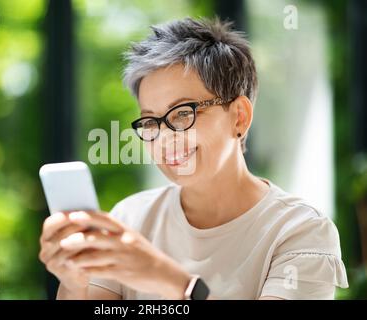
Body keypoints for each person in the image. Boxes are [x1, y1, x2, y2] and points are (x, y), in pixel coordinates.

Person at [39, 16, 348, 300]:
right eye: (150, 121)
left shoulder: (301, 232)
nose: (164, 137)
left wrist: (176, 284)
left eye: (183, 113)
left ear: (239, 117)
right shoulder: (131, 218)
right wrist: (74, 284)